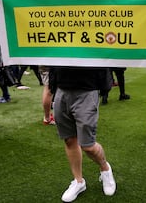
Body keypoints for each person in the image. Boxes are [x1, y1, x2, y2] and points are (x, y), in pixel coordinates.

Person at [49, 66, 116, 202]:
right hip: (62, 86)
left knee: (88, 145)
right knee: (69, 139)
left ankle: (105, 169)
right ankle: (79, 181)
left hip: (87, 88)